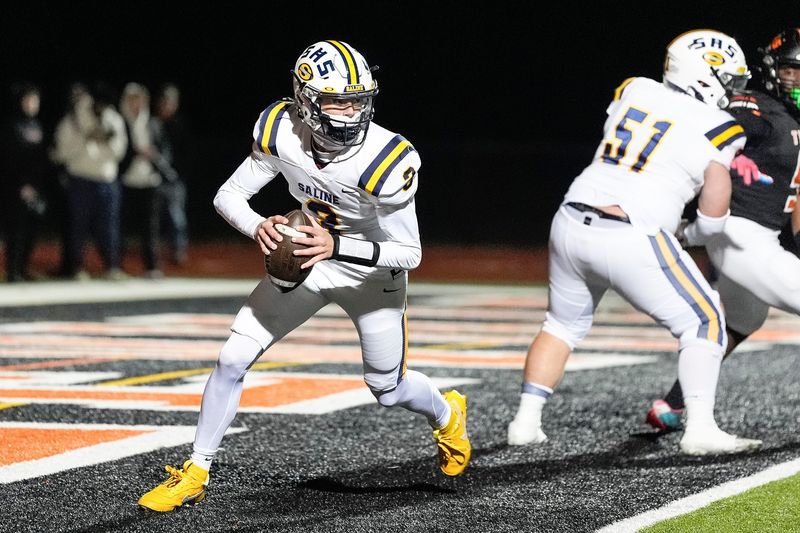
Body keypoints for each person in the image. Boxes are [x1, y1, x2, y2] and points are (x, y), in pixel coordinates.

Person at [138, 40, 471, 512]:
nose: (352, 112)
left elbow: (410, 253)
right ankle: (196, 469)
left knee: (387, 389)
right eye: (339, 100)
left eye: (359, 100)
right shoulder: (281, 131)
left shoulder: (387, 158)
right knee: (232, 357)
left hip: (372, 276)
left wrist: (338, 245)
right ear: (305, 101)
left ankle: (447, 411)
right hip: (306, 263)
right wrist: (260, 226)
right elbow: (227, 197)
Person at [506, 29, 762, 456]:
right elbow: (715, 209)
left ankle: (524, 422)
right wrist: (694, 233)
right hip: (631, 229)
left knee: (560, 325)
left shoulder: (634, 89)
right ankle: (700, 428)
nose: (734, 90)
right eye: (729, 79)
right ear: (707, 76)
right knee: (706, 322)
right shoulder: (719, 124)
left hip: (571, 216)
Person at [646, 28, 800, 431]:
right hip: (739, 235)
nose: (797, 81)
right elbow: (714, 132)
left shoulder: (790, 117)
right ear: (770, 69)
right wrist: (730, 158)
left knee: (743, 318)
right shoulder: (756, 107)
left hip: (756, 239)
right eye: (791, 71)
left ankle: (673, 406)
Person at [51, 81, 128, 280]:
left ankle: (112, 266)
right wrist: (86, 138)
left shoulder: (113, 119)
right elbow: (61, 153)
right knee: (79, 225)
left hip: (107, 181)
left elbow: (120, 152)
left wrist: (104, 139)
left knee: (109, 226)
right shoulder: (73, 119)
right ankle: (77, 268)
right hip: (80, 180)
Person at [0, 82, 49, 282]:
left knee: (32, 229)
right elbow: (9, 159)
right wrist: (22, 185)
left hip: (36, 188)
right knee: (15, 231)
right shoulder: (11, 126)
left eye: (35, 100)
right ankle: (13, 270)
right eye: (28, 100)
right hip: (15, 188)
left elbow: (42, 160)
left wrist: (37, 186)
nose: (32, 104)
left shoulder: (38, 125)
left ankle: (24, 267)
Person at [118, 82, 163, 278]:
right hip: (127, 181)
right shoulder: (120, 122)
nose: (137, 104)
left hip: (150, 181)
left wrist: (153, 155)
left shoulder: (152, 123)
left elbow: (163, 149)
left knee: (150, 228)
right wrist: (135, 153)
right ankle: (116, 266)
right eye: (132, 100)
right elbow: (119, 152)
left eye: (140, 100)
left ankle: (151, 266)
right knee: (122, 226)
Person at [150, 83, 190, 266]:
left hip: (175, 179)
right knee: (154, 219)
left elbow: (185, 152)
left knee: (177, 217)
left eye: (171, 102)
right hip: (154, 178)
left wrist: (179, 172)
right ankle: (154, 253)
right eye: (165, 101)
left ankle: (178, 250)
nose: (167, 105)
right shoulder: (152, 123)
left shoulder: (179, 125)